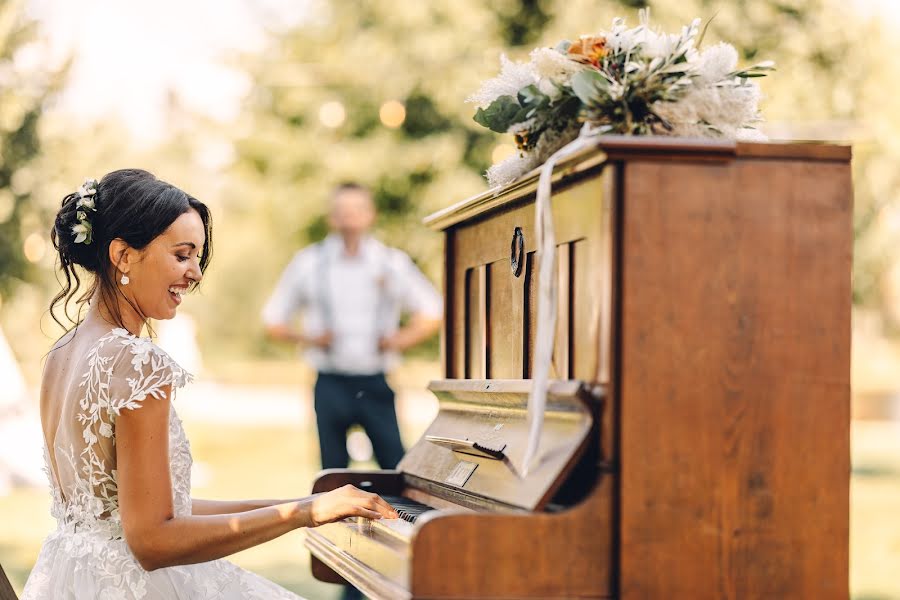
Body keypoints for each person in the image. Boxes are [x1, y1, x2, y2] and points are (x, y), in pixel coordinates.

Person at [22, 169, 397, 600]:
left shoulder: (62, 353)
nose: (195, 273)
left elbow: (146, 509)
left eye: (197, 257)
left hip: (72, 579)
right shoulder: (134, 361)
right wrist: (302, 513)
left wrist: (300, 505)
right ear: (123, 255)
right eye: (182, 255)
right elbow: (152, 541)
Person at [263, 183, 442, 472]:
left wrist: (399, 339)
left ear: (371, 214)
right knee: (332, 473)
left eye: (357, 210)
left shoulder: (390, 262)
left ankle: (400, 518)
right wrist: (309, 338)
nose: (350, 219)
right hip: (329, 382)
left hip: (376, 381)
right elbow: (273, 320)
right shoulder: (309, 263)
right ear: (331, 217)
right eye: (342, 212)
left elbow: (432, 311)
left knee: (395, 469)